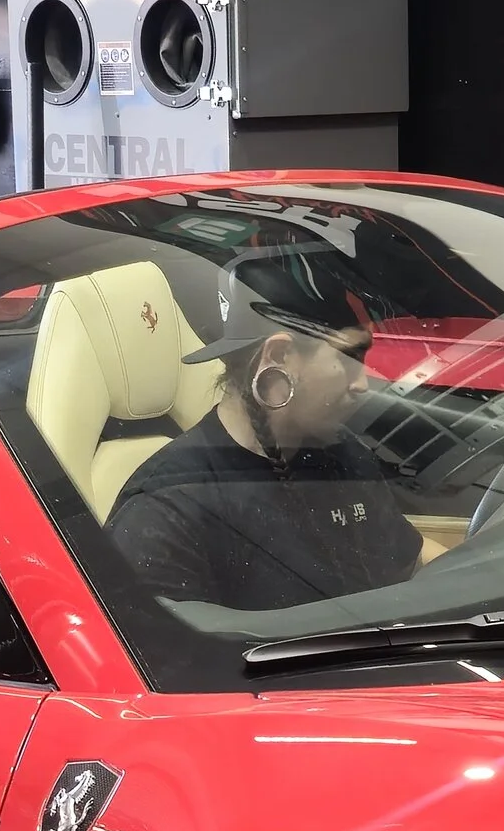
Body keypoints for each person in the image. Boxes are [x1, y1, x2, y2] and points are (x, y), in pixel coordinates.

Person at [107, 264, 426, 617]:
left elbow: (410, 567)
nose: (362, 384)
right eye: (348, 358)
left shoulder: (343, 455)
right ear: (279, 357)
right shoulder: (167, 510)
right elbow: (165, 663)